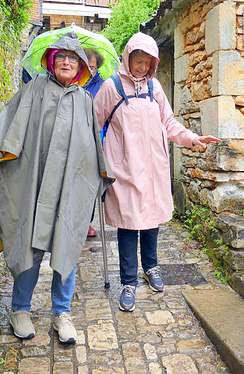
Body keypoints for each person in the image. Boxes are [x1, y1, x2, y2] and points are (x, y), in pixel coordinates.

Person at [0, 32, 114, 343]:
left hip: (68, 185)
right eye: (60, 56)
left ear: (81, 67)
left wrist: (96, 178)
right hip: (32, 183)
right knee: (29, 246)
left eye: (72, 58)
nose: (66, 61)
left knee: (68, 244)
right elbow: (11, 126)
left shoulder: (85, 100)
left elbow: (92, 146)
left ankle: (62, 313)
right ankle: (20, 309)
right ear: (50, 60)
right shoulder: (34, 89)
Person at [93, 32, 220, 312]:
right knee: (128, 225)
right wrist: (95, 160)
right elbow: (93, 124)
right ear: (127, 59)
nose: (141, 67)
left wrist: (192, 139)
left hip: (153, 169)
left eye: (146, 62)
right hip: (124, 170)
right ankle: (128, 282)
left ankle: (151, 268)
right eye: (137, 61)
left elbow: (170, 123)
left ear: (153, 63)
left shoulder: (155, 88)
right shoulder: (111, 87)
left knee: (151, 221)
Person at [83, 48, 106, 237]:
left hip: (95, 140)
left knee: (89, 187)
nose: (90, 71)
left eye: (93, 67)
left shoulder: (103, 86)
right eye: (87, 67)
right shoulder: (75, 82)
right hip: (74, 140)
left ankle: (87, 222)